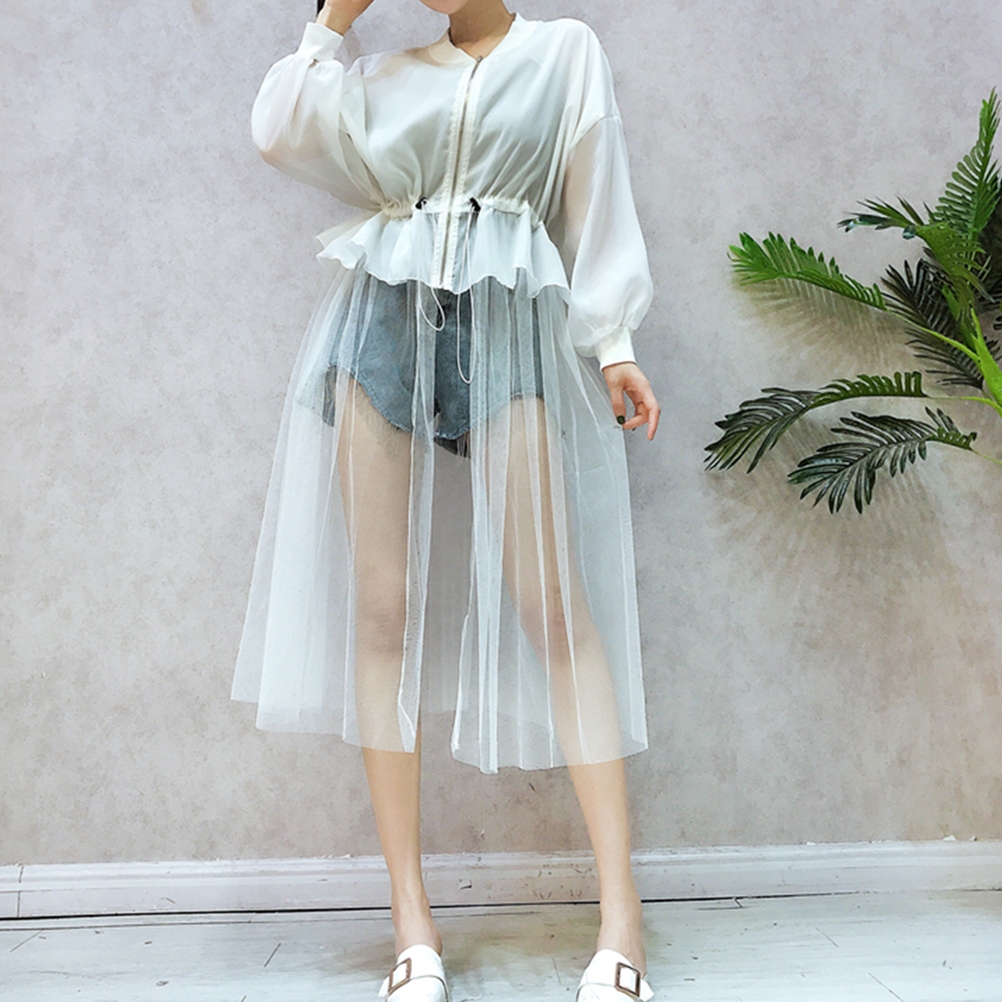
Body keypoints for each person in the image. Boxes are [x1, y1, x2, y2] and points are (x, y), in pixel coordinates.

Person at [232, 0, 660, 998]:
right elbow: (276, 128)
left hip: (511, 323)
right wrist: (331, 23)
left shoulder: (564, 51)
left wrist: (615, 342)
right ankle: (411, 925)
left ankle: (622, 916)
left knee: (552, 604)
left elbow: (595, 195)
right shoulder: (380, 77)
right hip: (380, 320)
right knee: (381, 609)